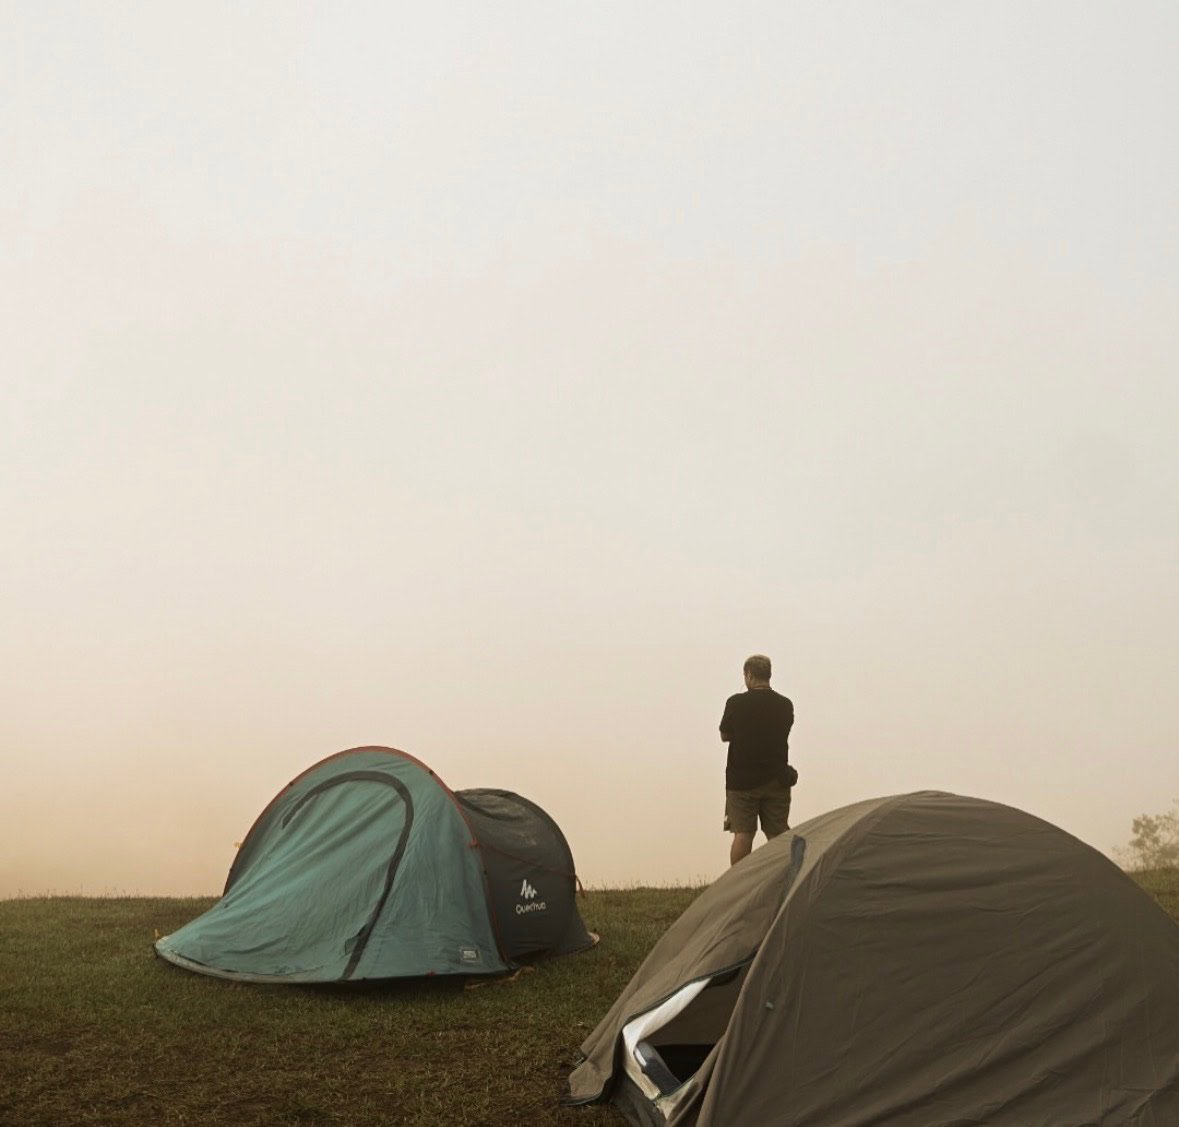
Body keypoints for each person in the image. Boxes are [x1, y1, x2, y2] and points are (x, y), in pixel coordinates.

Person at [719, 654, 795, 865]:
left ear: (749, 675)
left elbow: (725, 735)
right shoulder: (785, 705)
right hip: (777, 779)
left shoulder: (736, 702)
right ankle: (785, 881)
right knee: (778, 835)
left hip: (741, 781)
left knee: (743, 834)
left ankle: (739, 886)